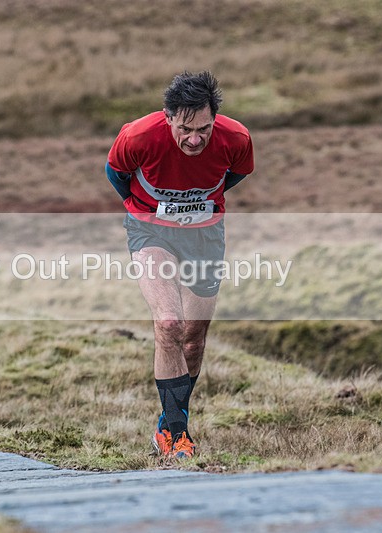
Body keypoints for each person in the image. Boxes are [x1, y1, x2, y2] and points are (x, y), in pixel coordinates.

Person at [106, 71, 253, 459]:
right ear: (168, 117)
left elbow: (235, 175)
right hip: (151, 232)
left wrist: (194, 205)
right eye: (185, 128)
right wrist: (150, 210)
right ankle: (176, 436)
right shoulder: (137, 137)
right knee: (168, 323)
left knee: (193, 336)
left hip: (205, 235)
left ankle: (168, 421)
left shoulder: (236, 139)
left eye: (203, 129)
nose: (194, 139)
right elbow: (115, 174)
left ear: (214, 120)